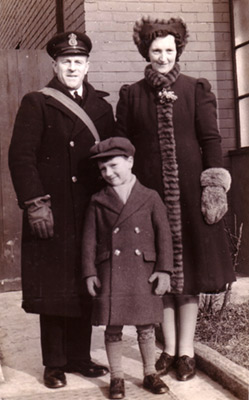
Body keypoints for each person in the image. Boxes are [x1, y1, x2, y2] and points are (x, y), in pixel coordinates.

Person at [115, 16, 236, 381]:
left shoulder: (196, 89)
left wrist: (213, 186)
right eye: (156, 51)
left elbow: (211, 140)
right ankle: (167, 349)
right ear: (146, 53)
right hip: (149, 198)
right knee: (160, 273)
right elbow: (123, 147)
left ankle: (186, 351)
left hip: (189, 197)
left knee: (190, 276)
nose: (163, 56)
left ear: (177, 50)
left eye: (169, 50)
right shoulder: (132, 95)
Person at [8, 31, 115, 389]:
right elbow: (21, 158)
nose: (72, 66)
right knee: (53, 285)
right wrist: (35, 203)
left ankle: (80, 357)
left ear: (88, 65)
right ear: (55, 65)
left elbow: (112, 157)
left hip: (89, 209)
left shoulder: (102, 107)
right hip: (51, 210)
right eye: (66, 61)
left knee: (86, 279)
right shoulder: (37, 102)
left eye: (78, 61)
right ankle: (54, 363)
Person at [81, 137, 173, 399]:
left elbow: (164, 236)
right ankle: (117, 377)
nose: (108, 173)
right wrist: (89, 272)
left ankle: (149, 373)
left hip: (144, 271)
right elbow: (88, 240)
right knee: (113, 326)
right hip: (111, 271)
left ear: (130, 161)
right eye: (102, 169)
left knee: (146, 326)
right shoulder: (98, 200)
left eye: (113, 165)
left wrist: (165, 270)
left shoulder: (150, 196)